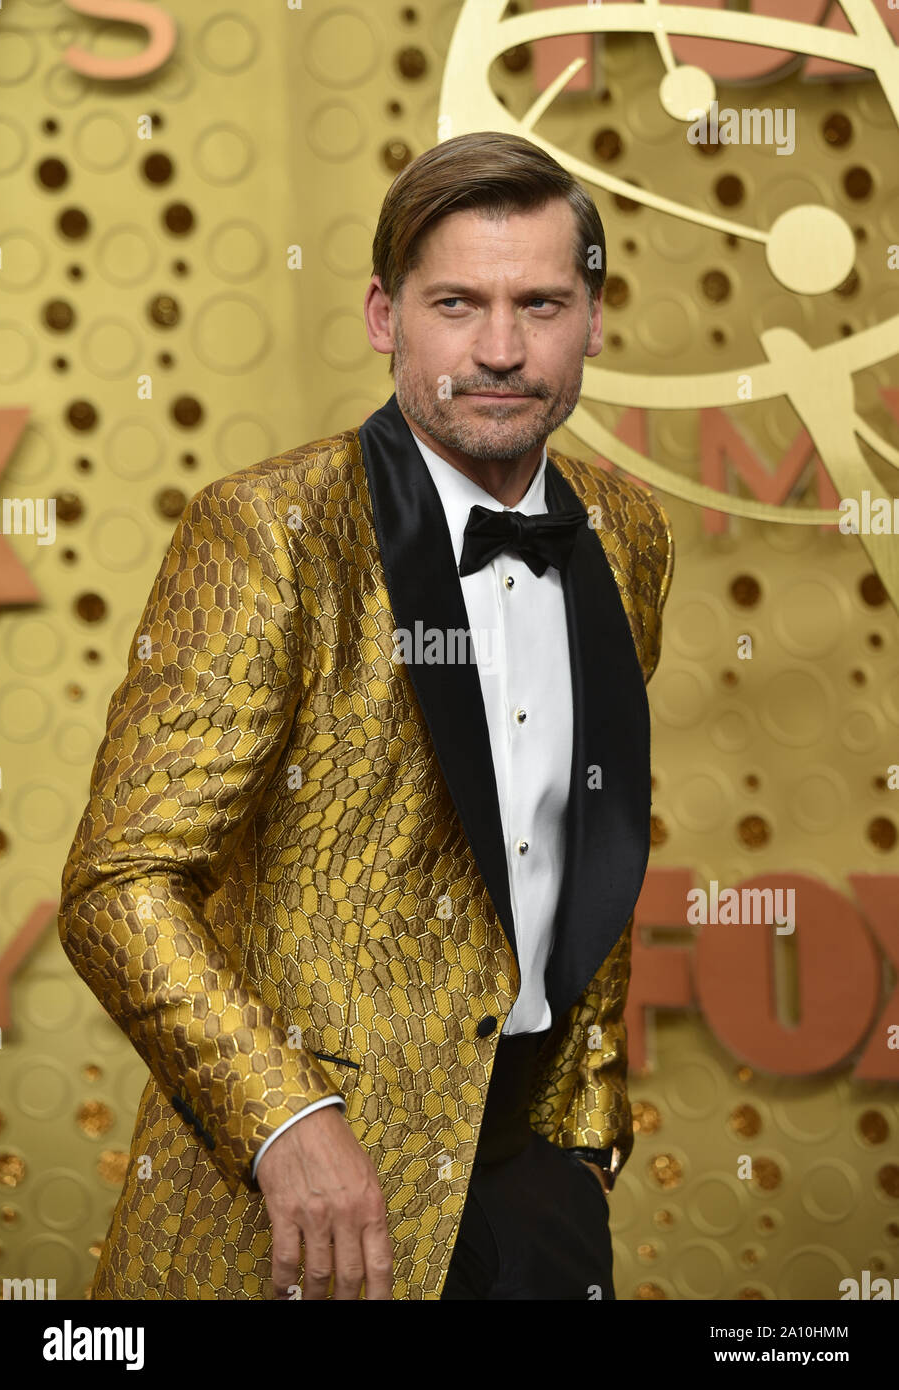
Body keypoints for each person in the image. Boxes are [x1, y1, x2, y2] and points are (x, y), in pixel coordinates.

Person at [57, 130, 673, 1301]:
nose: (501, 349)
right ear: (388, 316)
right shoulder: (268, 531)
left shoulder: (630, 531)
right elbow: (120, 881)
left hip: (534, 1188)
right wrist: (285, 1117)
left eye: (541, 303)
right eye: (458, 303)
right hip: (304, 1207)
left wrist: (584, 1139)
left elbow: (594, 832)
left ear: (593, 318)